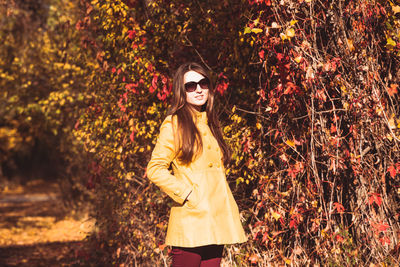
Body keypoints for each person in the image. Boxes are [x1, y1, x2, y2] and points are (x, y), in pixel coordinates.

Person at [146, 62, 247, 267]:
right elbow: (155, 169)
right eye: (190, 86)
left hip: (216, 219)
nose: (199, 89)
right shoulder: (174, 124)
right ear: (181, 92)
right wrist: (188, 194)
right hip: (191, 219)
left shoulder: (209, 123)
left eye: (203, 83)